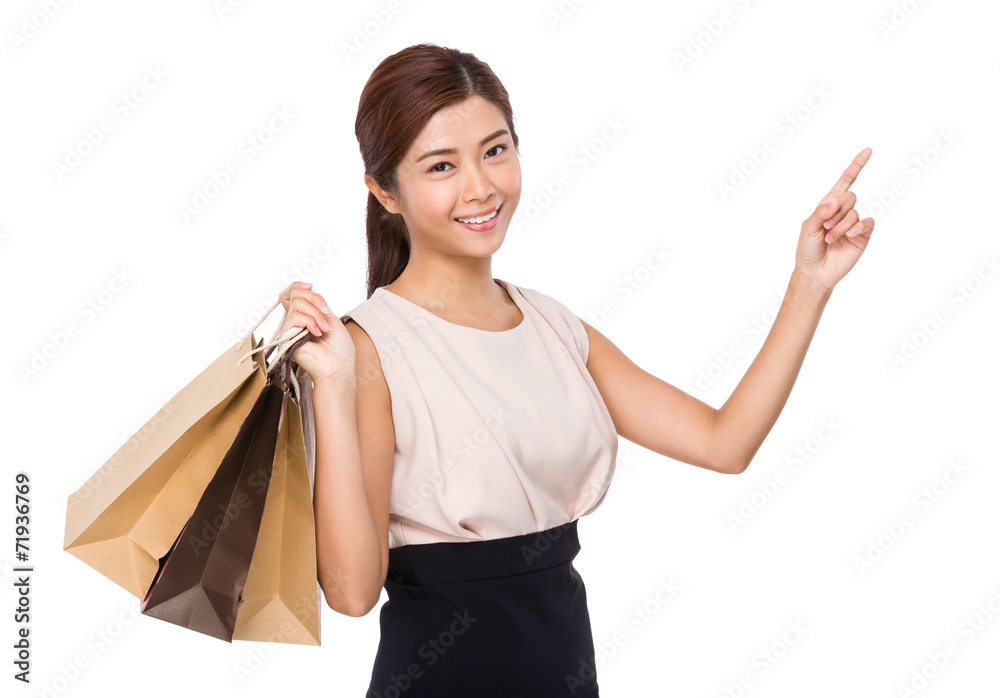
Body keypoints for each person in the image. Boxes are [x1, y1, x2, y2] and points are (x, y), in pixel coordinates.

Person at [275, 42, 874, 697]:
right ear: (384, 193)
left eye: (496, 150)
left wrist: (810, 283)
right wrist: (331, 386)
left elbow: (724, 443)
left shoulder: (553, 327)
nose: (480, 186)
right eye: (441, 165)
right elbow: (353, 593)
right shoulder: (369, 350)